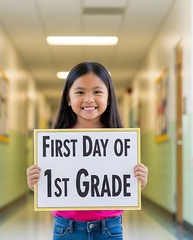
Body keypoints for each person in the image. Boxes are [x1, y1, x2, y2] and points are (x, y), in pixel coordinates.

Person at [26, 61, 148, 240]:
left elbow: (123, 184)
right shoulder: (56, 141)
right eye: (80, 92)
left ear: (109, 97)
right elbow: (52, 185)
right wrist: (36, 184)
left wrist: (138, 181)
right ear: (68, 98)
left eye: (97, 92)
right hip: (66, 228)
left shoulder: (120, 141)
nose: (89, 99)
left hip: (110, 227)